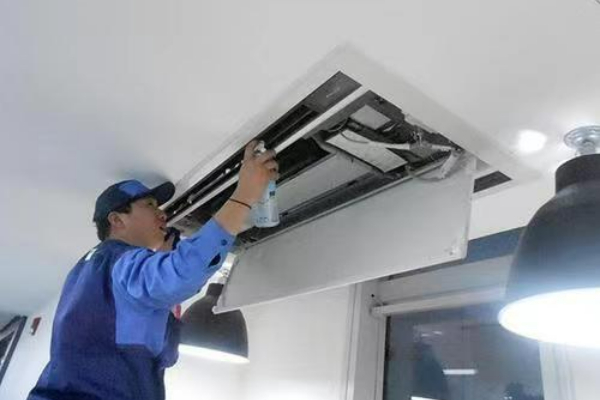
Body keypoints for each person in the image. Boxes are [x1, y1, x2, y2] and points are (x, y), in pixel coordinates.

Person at [27, 141, 278, 400]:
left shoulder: (87, 269)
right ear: (116, 219)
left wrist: (158, 263)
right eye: (150, 205)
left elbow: (134, 333)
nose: (163, 215)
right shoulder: (119, 261)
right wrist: (244, 195)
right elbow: (184, 271)